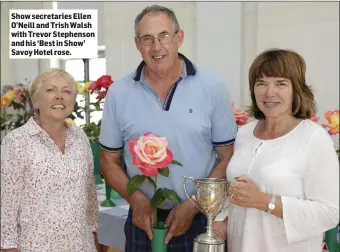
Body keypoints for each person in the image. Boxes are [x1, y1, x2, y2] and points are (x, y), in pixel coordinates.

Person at [99, 5, 237, 252]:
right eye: (147, 39)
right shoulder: (119, 92)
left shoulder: (213, 87)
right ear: (137, 43)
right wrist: (136, 200)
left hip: (200, 219)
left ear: (179, 38)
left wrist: (195, 204)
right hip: (143, 218)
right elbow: (108, 160)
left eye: (164, 36)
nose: (156, 47)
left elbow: (228, 157)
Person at [212, 49, 340, 252]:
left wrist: (265, 202)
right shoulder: (245, 133)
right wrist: (221, 222)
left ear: (296, 89)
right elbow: (237, 193)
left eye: (280, 83)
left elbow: (329, 212)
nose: (269, 92)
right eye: (261, 83)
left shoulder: (314, 138)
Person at [1, 69, 100, 252]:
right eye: (50, 90)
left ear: (73, 101)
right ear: (35, 101)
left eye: (67, 91)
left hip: (82, 246)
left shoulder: (80, 137)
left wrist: (94, 233)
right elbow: (7, 206)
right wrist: (8, 248)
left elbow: (89, 192)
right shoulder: (16, 142)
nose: (59, 97)